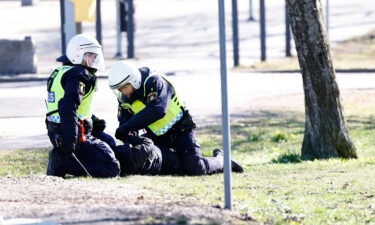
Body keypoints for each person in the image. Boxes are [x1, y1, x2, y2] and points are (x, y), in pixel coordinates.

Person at [107, 61, 244, 175]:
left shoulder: (154, 81)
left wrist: (128, 127)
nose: (123, 91)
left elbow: (158, 109)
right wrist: (129, 137)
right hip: (157, 135)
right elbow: (125, 122)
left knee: (195, 168)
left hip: (181, 129)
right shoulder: (124, 98)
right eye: (119, 89)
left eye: (125, 87)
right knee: (172, 166)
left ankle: (222, 159)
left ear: (134, 80)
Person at [45, 34, 120, 178]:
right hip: (73, 134)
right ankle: (62, 162)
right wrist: (71, 141)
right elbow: (67, 106)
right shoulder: (80, 74)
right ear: (78, 54)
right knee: (112, 168)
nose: (94, 59)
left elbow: (69, 105)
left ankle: (63, 157)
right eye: (90, 55)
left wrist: (92, 119)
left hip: (59, 132)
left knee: (109, 143)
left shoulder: (62, 72)